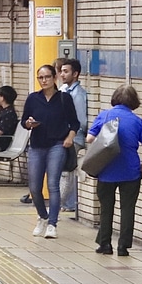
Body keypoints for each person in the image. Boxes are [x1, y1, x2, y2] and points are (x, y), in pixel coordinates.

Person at [86, 84, 142, 257]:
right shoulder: (138, 121)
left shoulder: (105, 115)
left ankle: (105, 244)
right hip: (131, 172)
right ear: (134, 101)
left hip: (106, 170)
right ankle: (123, 247)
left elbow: (89, 139)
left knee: (106, 208)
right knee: (128, 209)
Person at [20, 64, 79, 239]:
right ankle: (43, 217)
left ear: (54, 78)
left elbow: (74, 123)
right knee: (35, 187)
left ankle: (53, 223)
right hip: (37, 145)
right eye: (40, 77)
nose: (44, 80)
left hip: (57, 145)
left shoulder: (64, 99)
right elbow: (23, 121)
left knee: (53, 184)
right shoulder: (33, 99)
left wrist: (70, 137)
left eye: (47, 77)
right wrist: (28, 123)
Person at [58, 58, 88, 213]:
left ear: (75, 74)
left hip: (74, 137)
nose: (62, 74)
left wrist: (71, 132)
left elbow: (81, 121)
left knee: (68, 171)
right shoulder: (63, 90)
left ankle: (68, 203)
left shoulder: (78, 94)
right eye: (61, 71)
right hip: (62, 136)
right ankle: (66, 202)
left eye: (66, 71)